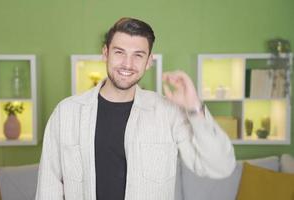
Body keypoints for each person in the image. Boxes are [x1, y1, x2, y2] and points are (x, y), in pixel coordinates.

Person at [36, 17, 236, 200]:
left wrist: (194, 107)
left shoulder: (168, 114)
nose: (127, 64)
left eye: (138, 55)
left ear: (149, 61)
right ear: (105, 53)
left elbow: (221, 166)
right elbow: (48, 189)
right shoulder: (66, 113)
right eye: (119, 52)